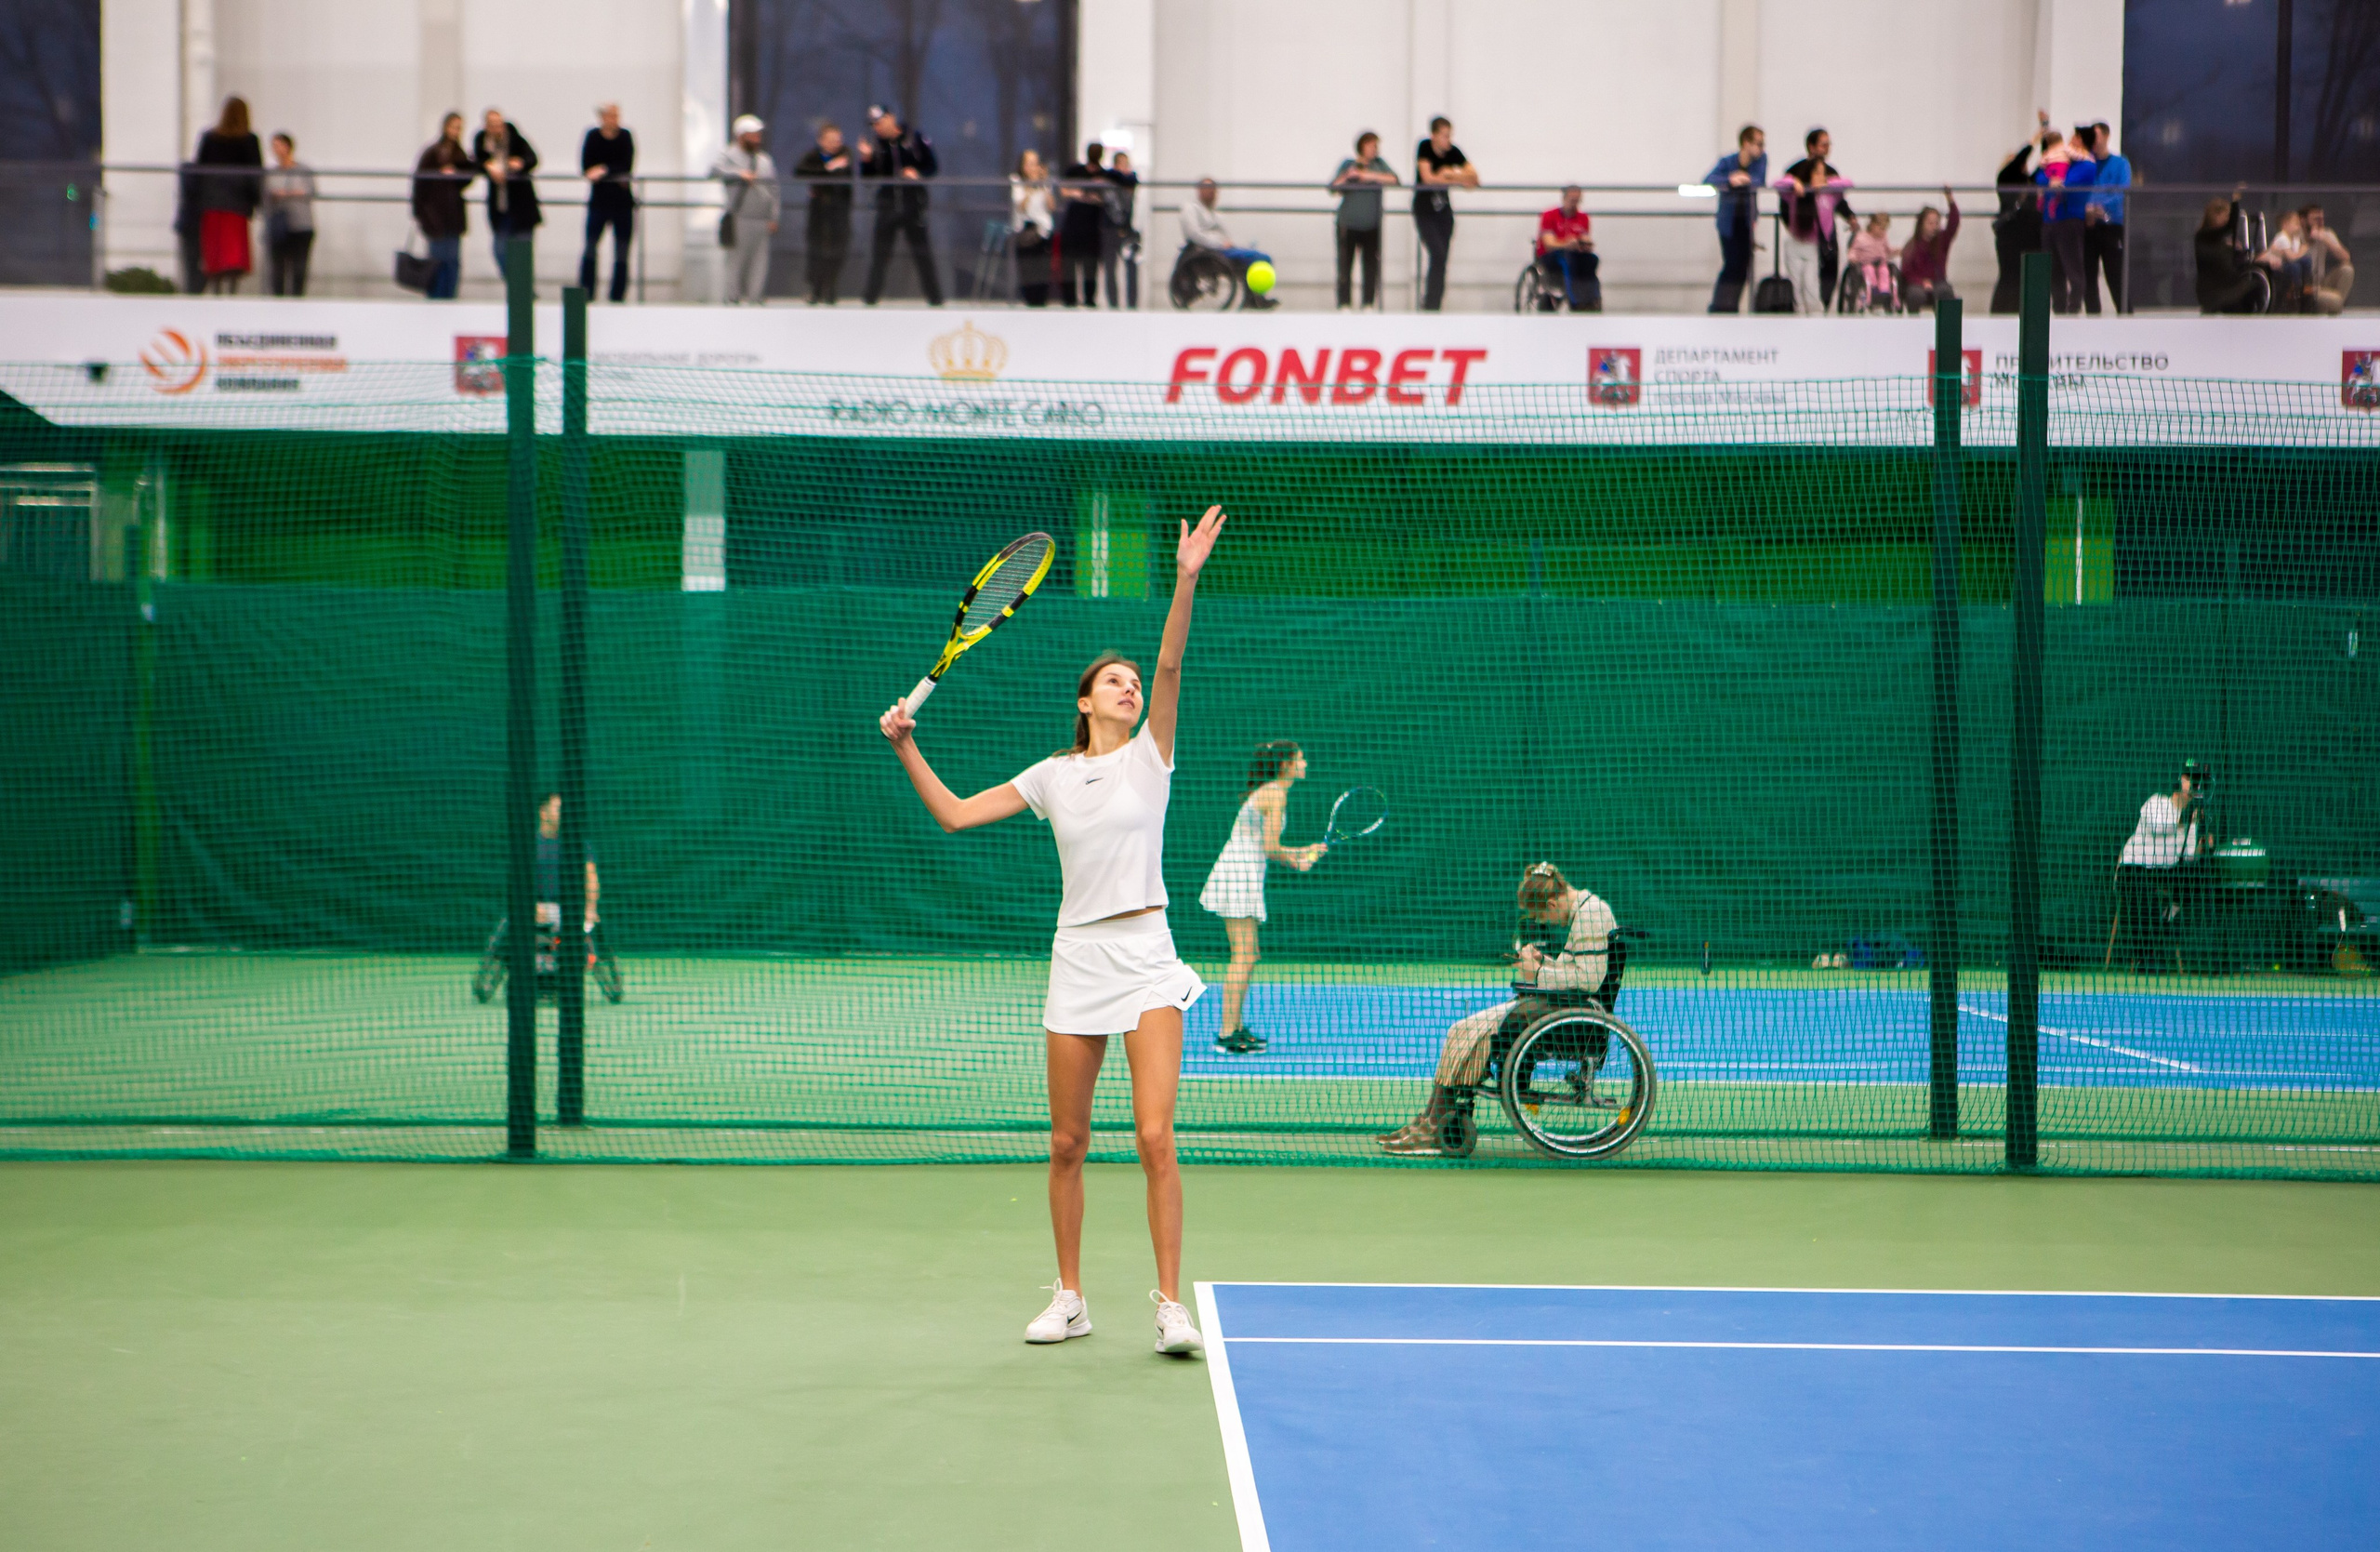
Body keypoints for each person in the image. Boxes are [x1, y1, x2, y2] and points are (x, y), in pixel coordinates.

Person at [876, 505, 1232, 1357]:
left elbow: (1175, 658)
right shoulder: (1050, 775)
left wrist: (1184, 578)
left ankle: (1168, 1306)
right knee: (1067, 1141)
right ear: (1084, 700)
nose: (1132, 686)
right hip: (1078, 957)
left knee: (1154, 1133)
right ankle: (1070, 1297)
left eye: (1134, 682)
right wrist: (905, 745)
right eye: (1116, 681)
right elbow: (958, 817)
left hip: (1147, 955)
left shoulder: (1151, 756)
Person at [1379, 862, 1617, 1156]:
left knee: (1471, 1032)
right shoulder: (1586, 910)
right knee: (1460, 1029)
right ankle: (1430, 1121)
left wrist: (1538, 971)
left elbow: (1589, 981)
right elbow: (1575, 972)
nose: (1544, 922)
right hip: (1559, 1007)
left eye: (1541, 915)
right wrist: (1543, 962)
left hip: (1574, 1016)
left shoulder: (1592, 914)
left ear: (1552, 903)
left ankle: (1433, 1126)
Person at [1199, 741, 1327, 1056]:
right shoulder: (1275, 793)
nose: (1305, 763)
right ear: (1286, 765)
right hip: (1239, 873)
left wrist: (1302, 852)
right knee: (1244, 954)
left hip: (1244, 869)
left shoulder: (1271, 792)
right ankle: (1227, 1033)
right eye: (1301, 758)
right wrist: (1296, 859)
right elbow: (1270, 847)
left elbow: (1264, 845)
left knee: (1249, 953)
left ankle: (1234, 1026)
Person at [2113, 763, 2210, 975]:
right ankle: (2146, 957)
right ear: (2179, 780)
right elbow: (2158, 827)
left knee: (2199, 870)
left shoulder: (2192, 818)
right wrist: (2185, 820)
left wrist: (2203, 844)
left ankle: (2168, 915)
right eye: (2190, 778)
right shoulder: (2157, 801)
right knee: (2142, 891)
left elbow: (2188, 854)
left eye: (2199, 780)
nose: (2195, 783)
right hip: (2134, 867)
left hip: (2164, 871)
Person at [860, 104, 944, 306]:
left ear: (891, 118)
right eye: (873, 124)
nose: (877, 128)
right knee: (880, 255)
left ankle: (936, 300)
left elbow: (932, 166)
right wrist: (866, 159)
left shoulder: (914, 139)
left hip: (913, 205)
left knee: (922, 254)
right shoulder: (877, 145)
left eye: (879, 122)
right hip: (888, 206)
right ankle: (870, 300)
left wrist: (917, 174)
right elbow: (868, 178)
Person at [1775, 127, 1853, 314]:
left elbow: (1847, 183)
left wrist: (1826, 183)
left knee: (1812, 283)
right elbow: (1779, 183)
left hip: (1814, 244)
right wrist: (1796, 184)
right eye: (1823, 144)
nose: (1827, 148)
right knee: (1796, 284)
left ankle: (1818, 313)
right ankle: (1799, 314)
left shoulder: (1828, 193)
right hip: (1795, 242)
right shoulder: (1797, 192)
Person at [192, 97, 262, 295]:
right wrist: (255, 202)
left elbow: (199, 169)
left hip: (211, 202)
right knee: (233, 255)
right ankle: (232, 294)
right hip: (237, 203)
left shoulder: (210, 137)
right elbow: (255, 174)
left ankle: (216, 292)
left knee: (214, 253)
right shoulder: (248, 139)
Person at [1991, 114, 2056, 313]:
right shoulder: (2005, 179)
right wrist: (2037, 135)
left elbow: (2046, 161)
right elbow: (2021, 157)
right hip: (2011, 233)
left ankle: (2028, 313)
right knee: (2010, 276)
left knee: (2030, 276)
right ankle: (2002, 313)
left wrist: (2047, 132)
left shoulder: (2030, 181)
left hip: (2030, 233)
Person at [713, 114, 779, 306]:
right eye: (753, 135)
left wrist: (773, 215)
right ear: (741, 136)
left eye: (758, 135)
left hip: (761, 218)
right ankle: (732, 297)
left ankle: (755, 297)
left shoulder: (764, 160)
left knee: (760, 261)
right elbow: (713, 170)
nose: (757, 139)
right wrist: (738, 174)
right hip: (739, 216)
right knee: (736, 260)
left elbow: (774, 189)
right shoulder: (728, 156)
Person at [1180, 179, 1276, 309]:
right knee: (1261, 258)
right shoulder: (1191, 209)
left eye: (1214, 191)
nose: (1212, 193)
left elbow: (1223, 235)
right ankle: (1256, 296)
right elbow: (1195, 234)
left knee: (1257, 255)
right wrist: (1219, 244)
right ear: (1200, 191)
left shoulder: (1211, 212)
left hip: (1219, 248)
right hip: (1210, 251)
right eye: (1208, 189)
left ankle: (1255, 296)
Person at [1413, 116, 1476, 312]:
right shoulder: (1424, 147)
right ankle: (1429, 304)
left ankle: (1436, 303)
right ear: (1434, 135)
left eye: (1449, 136)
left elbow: (1474, 178)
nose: (1447, 140)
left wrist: (1449, 174)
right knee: (1437, 253)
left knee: (1442, 258)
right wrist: (1455, 178)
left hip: (1443, 212)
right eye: (1444, 136)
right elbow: (1427, 178)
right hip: (1424, 211)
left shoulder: (1453, 152)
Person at [1330, 130, 1397, 312]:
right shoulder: (1348, 164)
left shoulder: (1379, 165)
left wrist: (1368, 176)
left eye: (1376, 146)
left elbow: (1394, 179)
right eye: (1371, 145)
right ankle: (1344, 303)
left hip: (1372, 225)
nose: (1375, 149)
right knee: (1345, 266)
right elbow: (1333, 187)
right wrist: (1349, 176)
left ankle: (1368, 303)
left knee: (1370, 266)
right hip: (1348, 224)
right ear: (1362, 146)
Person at [1702, 124, 1766, 312]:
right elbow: (1709, 179)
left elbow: (1758, 179)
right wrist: (1730, 179)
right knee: (1731, 263)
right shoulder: (1728, 162)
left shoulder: (1760, 160)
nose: (1761, 148)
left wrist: (1743, 178)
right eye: (1758, 144)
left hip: (1746, 221)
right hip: (1728, 222)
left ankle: (1732, 305)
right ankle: (1720, 305)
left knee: (1743, 267)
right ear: (1746, 143)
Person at [472, 109, 542, 283]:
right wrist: (488, 166)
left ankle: (523, 290)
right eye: (492, 125)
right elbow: (476, 161)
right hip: (500, 209)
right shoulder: (482, 141)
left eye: (499, 125)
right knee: (500, 250)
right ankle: (516, 286)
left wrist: (520, 163)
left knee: (523, 254)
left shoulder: (515, 139)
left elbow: (532, 159)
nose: (497, 129)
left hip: (522, 209)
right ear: (486, 127)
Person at [412, 113, 473, 300]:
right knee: (437, 263)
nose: (456, 131)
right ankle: (436, 300)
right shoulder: (432, 153)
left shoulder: (459, 154)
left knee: (453, 263)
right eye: (453, 127)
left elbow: (467, 179)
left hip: (453, 219)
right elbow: (419, 187)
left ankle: (450, 299)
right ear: (445, 127)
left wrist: (459, 172)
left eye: (459, 128)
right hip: (435, 219)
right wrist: (422, 217)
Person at [579, 102, 636, 303]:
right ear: (602, 117)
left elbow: (626, 165)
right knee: (590, 247)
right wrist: (604, 171)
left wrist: (604, 170)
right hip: (599, 201)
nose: (614, 119)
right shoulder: (593, 136)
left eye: (616, 115)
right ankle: (586, 293)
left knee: (621, 252)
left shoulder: (625, 136)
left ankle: (617, 296)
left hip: (622, 202)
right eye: (610, 115)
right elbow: (586, 166)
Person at [794, 122, 854, 304]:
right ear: (821, 141)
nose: (835, 143)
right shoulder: (813, 157)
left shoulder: (846, 155)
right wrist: (827, 170)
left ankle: (831, 288)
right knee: (816, 249)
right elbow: (800, 171)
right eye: (830, 140)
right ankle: (815, 289)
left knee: (838, 249)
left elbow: (843, 177)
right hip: (819, 211)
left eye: (838, 140)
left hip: (839, 210)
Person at [2038, 122, 2096, 313]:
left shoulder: (2086, 163)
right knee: (2054, 270)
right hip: (2050, 220)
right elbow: (2040, 176)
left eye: (2074, 137)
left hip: (2069, 220)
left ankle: (2073, 308)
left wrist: (2056, 181)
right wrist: (2051, 179)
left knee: (2073, 268)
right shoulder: (2059, 158)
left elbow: (2069, 183)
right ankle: (2059, 308)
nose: (2069, 141)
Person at [261, 132, 316, 297]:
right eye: (274, 146)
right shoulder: (271, 173)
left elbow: (309, 191)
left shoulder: (303, 170)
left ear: (288, 146)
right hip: (279, 225)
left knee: (299, 268)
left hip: (301, 225)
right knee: (278, 269)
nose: (275, 149)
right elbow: (266, 195)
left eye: (278, 145)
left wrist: (286, 193)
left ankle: (297, 301)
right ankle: (278, 303)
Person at [2195, 190, 2268, 314]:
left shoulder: (2222, 242)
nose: (2225, 219)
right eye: (2223, 216)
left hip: (2228, 289)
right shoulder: (2203, 237)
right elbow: (2229, 227)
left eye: (2227, 216)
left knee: (2255, 285)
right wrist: (2235, 203)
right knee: (2250, 288)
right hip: (2216, 292)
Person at [2083, 122, 2129, 314]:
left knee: (2115, 274)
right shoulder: (2086, 163)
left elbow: (2122, 192)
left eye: (2097, 135)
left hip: (2111, 226)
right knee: (2088, 276)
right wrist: (2087, 208)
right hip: (2088, 226)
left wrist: (2099, 206)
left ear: (2106, 136)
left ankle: (2126, 313)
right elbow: (2080, 190)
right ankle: (2093, 317)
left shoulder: (2120, 164)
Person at [1057, 142, 1109, 307]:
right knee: (1069, 265)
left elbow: (1107, 198)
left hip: (1093, 228)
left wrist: (1088, 197)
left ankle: (1089, 300)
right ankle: (1070, 300)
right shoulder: (1076, 171)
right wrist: (1081, 195)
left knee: (1090, 266)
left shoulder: (1104, 175)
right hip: (1073, 226)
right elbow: (1063, 190)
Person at [1534, 184, 1600, 311]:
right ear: (1564, 199)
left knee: (1592, 259)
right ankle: (1575, 299)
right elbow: (1549, 244)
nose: (1574, 204)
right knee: (1568, 259)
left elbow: (1584, 238)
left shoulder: (1583, 218)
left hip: (1575, 254)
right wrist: (1566, 244)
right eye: (1572, 200)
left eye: (1577, 200)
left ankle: (1592, 298)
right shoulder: (1549, 215)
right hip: (1552, 255)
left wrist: (1585, 244)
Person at [1898, 191, 1960, 312]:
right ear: (1921, 224)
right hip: (1917, 284)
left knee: (1945, 292)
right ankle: (1914, 324)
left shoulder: (1942, 240)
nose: (1934, 226)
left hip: (1938, 282)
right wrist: (1921, 282)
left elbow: (1953, 223)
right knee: (1915, 295)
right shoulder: (1912, 245)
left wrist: (1950, 200)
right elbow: (1906, 272)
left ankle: (1946, 327)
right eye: (1930, 223)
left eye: (1936, 223)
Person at [1009, 148, 1055, 307]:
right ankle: (1029, 302)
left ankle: (1041, 303)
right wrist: (1030, 186)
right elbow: (1021, 206)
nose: (1032, 168)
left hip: (1043, 232)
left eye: (1035, 164)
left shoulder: (1044, 182)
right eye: (1029, 164)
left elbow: (1051, 206)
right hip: (1025, 232)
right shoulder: (1017, 181)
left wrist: (1044, 184)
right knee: (1027, 273)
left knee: (1042, 273)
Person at [1100, 150, 1139, 308]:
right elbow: (1112, 177)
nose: (1125, 168)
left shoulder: (1129, 181)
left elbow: (1132, 179)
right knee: (1110, 268)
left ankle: (1132, 304)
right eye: (1122, 164)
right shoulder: (1109, 181)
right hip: (1110, 229)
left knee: (1131, 266)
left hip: (1128, 229)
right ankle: (1113, 303)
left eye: (1126, 164)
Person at [2302, 205, 2355, 314]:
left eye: (2322, 219)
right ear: (2304, 220)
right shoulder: (2296, 236)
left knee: (2347, 270)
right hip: (2305, 287)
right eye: (2316, 219)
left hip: (2321, 283)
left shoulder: (2325, 233)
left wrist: (2325, 239)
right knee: (2335, 301)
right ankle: (2333, 305)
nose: (2320, 222)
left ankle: (2333, 309)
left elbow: (2345, 257)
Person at [2259, 209, 2313, 308]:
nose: (2298, 226)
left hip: (2286, 264)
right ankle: (2294, 290)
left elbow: (2295, 256)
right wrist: (2303, 249)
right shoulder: (2282, 238)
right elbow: (2291, 257)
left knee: (2305, 261)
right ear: (2285, 225)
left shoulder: (2295, 239)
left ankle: (2306, 286)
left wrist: (2301, 250)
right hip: (2276, 267)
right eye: (2296, 223)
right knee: (2295, 266)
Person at [1844, 211, 1897, 308]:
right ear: (1872, 225)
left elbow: (1887, 249)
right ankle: (1873, 289)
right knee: (1869, 270)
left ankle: (1884, 290)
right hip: (1866, 263)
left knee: (1884, 270)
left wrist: (1895, 251)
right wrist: (1852, 258)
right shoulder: (1861, 237)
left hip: (1880, 262)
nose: (1882, 231)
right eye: (1880, 228)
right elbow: (1854, 250)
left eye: (1884, 229)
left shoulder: (1883, 237)